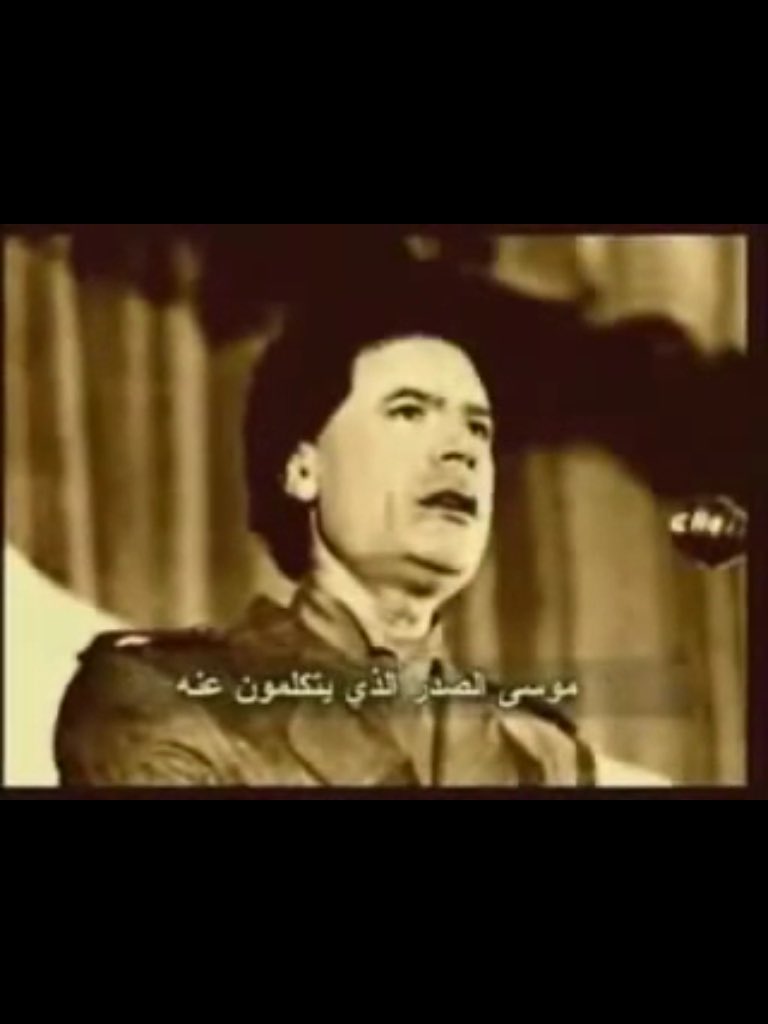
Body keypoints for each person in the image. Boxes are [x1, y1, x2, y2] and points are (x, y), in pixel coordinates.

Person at [54, 268, 667, 787]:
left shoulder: (545, 755)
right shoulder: (160, 698)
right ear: (303, 469)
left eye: (478, 427)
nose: (462, 450)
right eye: (409, 411)